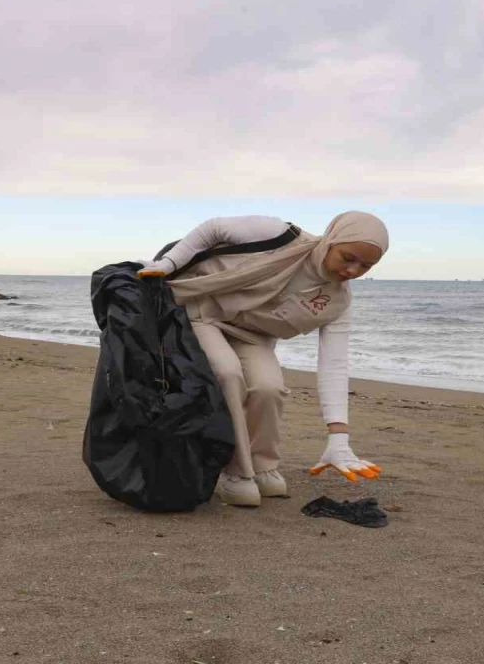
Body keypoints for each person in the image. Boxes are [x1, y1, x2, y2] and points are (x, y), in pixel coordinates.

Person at [138, 212, 388, 506]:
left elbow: (334, 365)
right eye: (347, 257)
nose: (352, 270)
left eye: (365, 266)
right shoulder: (277, 236)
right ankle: (237, 473)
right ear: (331, 239)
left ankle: (263, 466)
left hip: (253, 336)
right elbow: (213, 228)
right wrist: (169, 264)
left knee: (269, 388)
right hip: (203, 314)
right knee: (228, 374)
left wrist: (338, 437)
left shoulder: (338, 302)